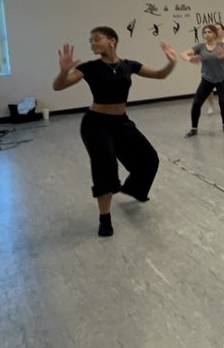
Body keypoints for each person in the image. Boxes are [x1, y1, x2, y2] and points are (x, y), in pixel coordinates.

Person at [53, 27, 177, 237]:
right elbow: (59, 86)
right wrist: (64, 71)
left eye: (96, 39)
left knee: (149, 159)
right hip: (96, 125)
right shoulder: (89, 67)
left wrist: (171, 63)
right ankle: (105, 219)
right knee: (105, 167)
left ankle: (134, 189)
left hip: (121, 122)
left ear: (112, 40)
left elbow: (159, 74)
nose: (92, 44)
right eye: (90, 41)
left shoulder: (129, 65)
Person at [181, 24, 224, 137]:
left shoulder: (222, 45)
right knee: (196, 103)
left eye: (209, 32)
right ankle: (194, 129)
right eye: (205, 32)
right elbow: (183, 53)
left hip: (222, 78)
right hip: (207, 79)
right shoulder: (200, 47)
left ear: (215, 34)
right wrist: (190, 59)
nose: (207, 34)